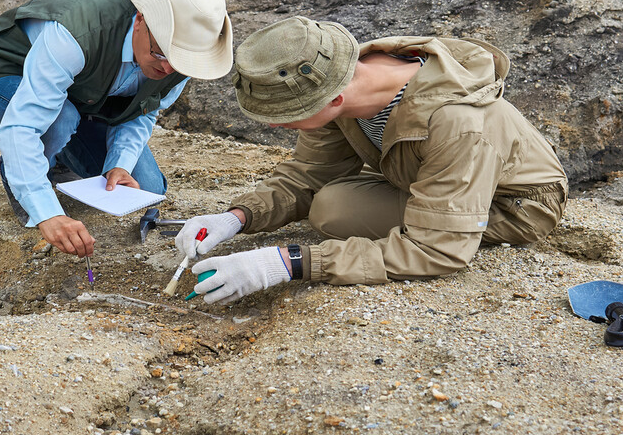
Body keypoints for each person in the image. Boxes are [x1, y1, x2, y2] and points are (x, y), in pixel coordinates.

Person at [176, 16, 567, 305]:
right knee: (330, 199)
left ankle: (460, 221)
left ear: (331, 100)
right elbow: (309, 173)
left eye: (283, 117)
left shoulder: (458, 123)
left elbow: (437, 250)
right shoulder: (339, 76)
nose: (278, 127)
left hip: (513, 204)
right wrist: (236, 218)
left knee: (332, 212)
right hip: (416, 177)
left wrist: (285, 262)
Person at [0, 0, 232, 257]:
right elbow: (21, 126)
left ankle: (56, 152)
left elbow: (141, 110)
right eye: (161, 54)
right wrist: (47, 213)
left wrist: (120, 165)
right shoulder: (76, 34)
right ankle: (29, 170)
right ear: (141, 21)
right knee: (60, 118)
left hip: (80, 94)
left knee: (146, 188)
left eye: (181, 62)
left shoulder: (179, 62)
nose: (168, 70)